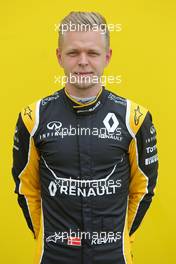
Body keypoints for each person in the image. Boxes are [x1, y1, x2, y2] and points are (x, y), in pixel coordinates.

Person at [12, 11, 158, 264]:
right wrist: (47, 236)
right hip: (53, 255)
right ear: (59, 57)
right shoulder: (32, 117)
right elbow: (26, 190)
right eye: (73, 53)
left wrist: (121, 239)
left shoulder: (135, 118)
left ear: (107, 57)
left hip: (114, 256)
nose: (83, 62)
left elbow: (143, 189)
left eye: (92, 53)